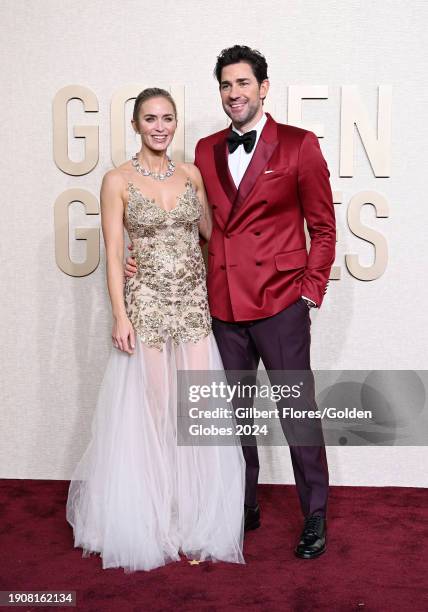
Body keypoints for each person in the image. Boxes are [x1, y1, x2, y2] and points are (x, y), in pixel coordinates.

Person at [126, 47, 336, 560]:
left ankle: (315, 513)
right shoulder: (204, 150)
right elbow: (201, 229)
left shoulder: (299, 145)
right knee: (233, 416)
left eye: (243, 83)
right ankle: (242, 504)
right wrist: (145, 257)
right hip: (222, 307)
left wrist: (308, 291)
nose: (234, 93)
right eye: (226, 85)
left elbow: (324, 228)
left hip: (282, 301)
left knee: (297, 411)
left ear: (264, 88)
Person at [66, 87, 245, 572]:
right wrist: (119, 314)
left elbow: (213, 236)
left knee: (192, 410)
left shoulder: (190, 175)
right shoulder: (116, 180)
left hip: (191, 306)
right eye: (151, 118)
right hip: (145, 308)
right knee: (154, 407)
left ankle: (189, 516)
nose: (160, 126)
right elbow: (113, 252)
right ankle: (153, 516)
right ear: (136, 125)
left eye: (168, 118)